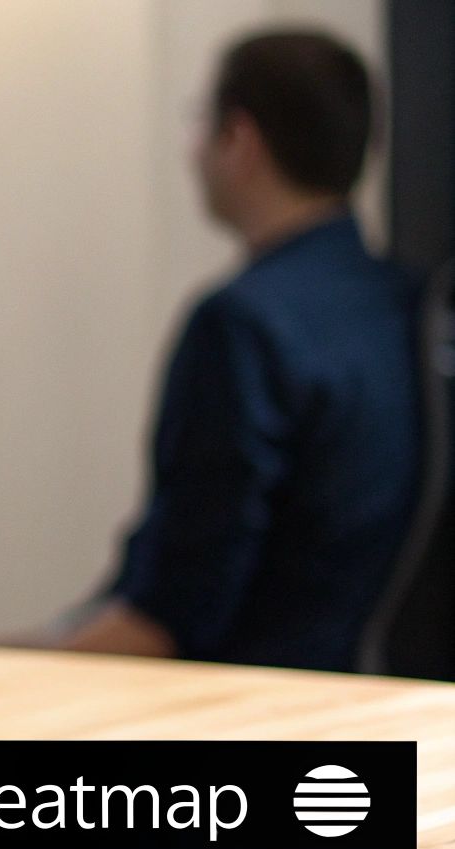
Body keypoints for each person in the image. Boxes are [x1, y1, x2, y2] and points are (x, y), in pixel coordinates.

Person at [47, 30, 420, 671]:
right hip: (363, 696)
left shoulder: (243, 326)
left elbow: (175, 611)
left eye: (201, 123)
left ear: (238, 140)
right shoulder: (403, 302)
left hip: (239, 702)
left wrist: (7, 661)